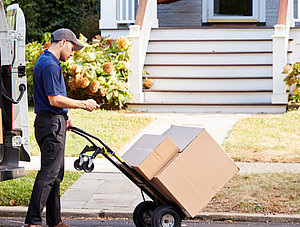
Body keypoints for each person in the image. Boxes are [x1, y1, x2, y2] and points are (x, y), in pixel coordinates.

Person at [25, 28, 99, 227]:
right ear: (63, 42)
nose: (72, 53)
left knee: (56, 174)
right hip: (50, 125)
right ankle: (32, 221)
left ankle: (54, 221)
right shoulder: (49, 65)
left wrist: (65, 117)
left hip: (51, 121)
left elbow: (51, 101)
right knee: (49, 174)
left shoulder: (47, 61)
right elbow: (54, 99)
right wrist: (83, 104)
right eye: (72, 49)